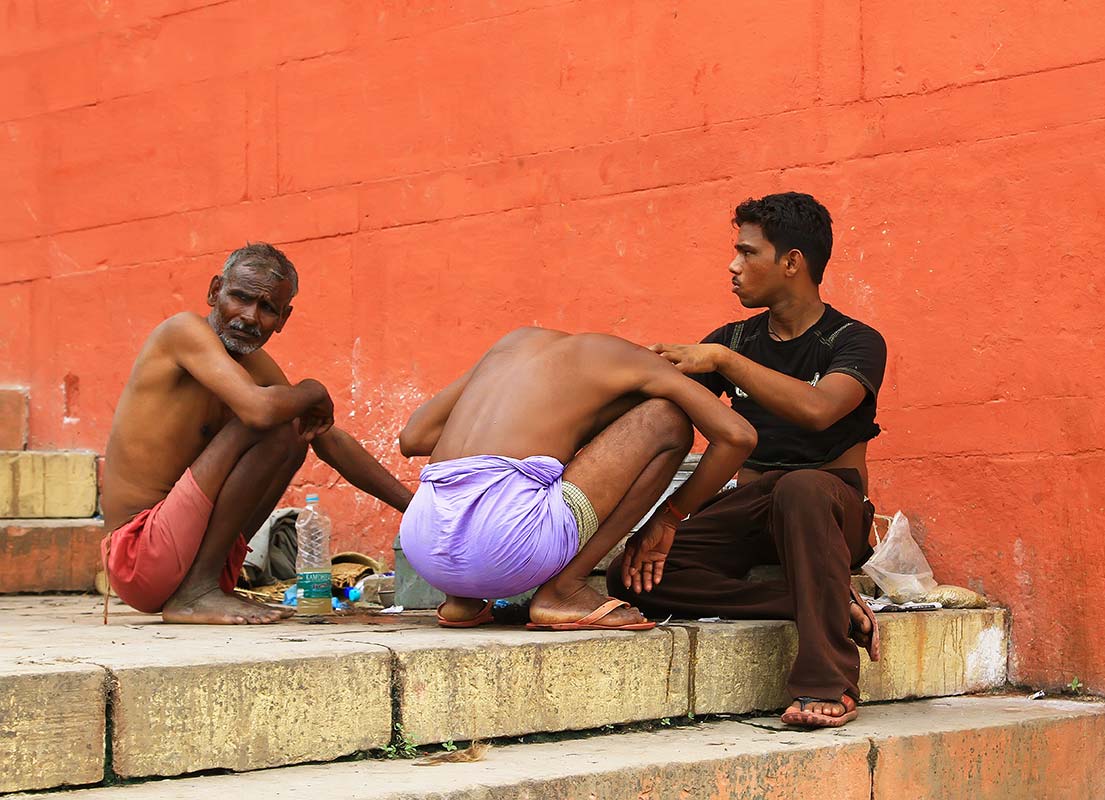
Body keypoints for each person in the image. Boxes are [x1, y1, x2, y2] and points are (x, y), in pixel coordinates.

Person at [607, 192, 887, 727]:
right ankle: (821, 602)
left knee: (802, 486)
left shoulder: (855, 341)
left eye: (747, 253)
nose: (733, 267)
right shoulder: (733, 340)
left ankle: (826, 681)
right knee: (632, 574)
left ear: (791, 262)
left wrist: (723, 361)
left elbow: (820, 409)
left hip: (831, 508)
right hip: (752, 506)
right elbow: (649, 390)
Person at [101, 243, 413, 625]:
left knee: (292, 429)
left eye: (267, 308)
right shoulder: (183, 332)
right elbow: (260, 410)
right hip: (140, 554)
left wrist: (419, 512)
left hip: (192, 557)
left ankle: (204, 586)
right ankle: (197, 594)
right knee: (276, 421)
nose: (249, 317)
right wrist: (312, 389)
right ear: (215, 291)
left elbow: (327, 438)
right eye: (240, 297)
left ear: (284, 318)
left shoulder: (254, 368)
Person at [397, 327, 757, 630]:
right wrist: (669, 517)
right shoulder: (639, 361)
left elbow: (414, 438)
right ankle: (565, 589)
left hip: (425, 543)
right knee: (668, 419)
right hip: (506, 545)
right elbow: (738, 436)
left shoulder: (513, 344)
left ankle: (462, 601)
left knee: (493, 472)